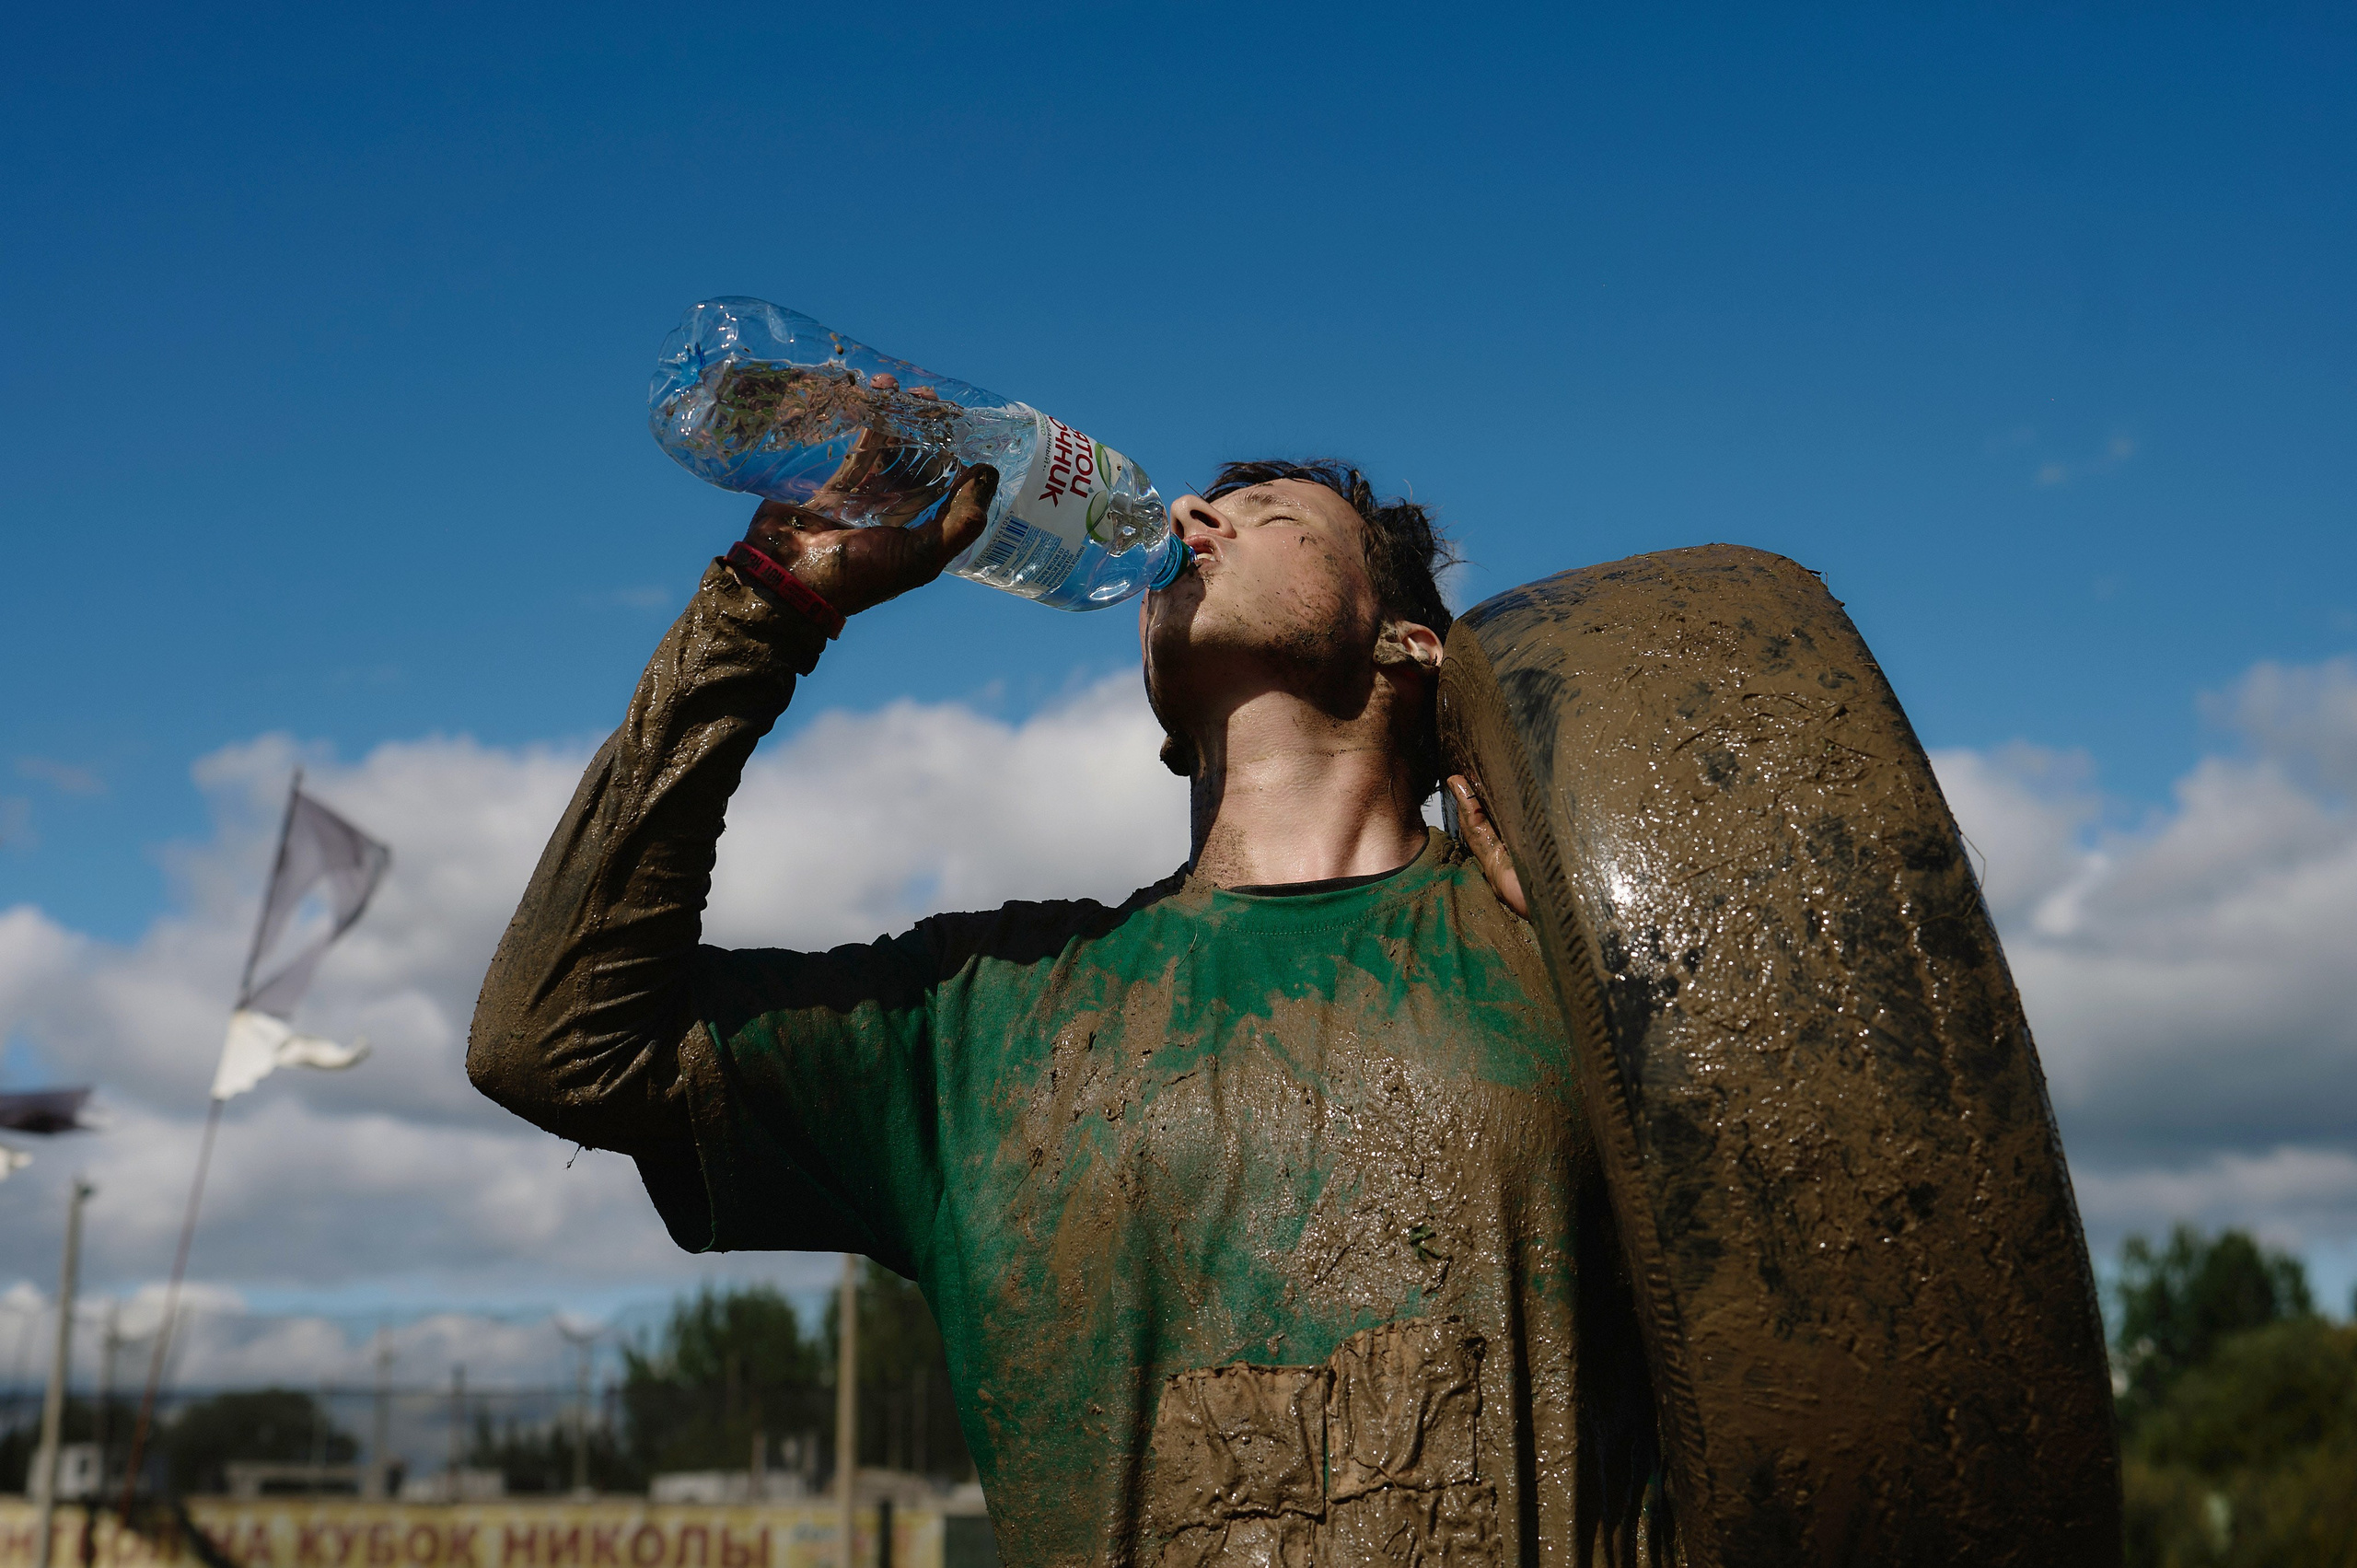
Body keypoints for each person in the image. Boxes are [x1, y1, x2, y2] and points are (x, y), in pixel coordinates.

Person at [468, 459, 1664, 1568]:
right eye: (1199, 510)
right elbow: (556, 1041)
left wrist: (1543, 774)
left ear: (1407, 644)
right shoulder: (981, 1016)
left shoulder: (1564, 944)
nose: (1194, 523)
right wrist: (767, 608)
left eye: (1274, 521)